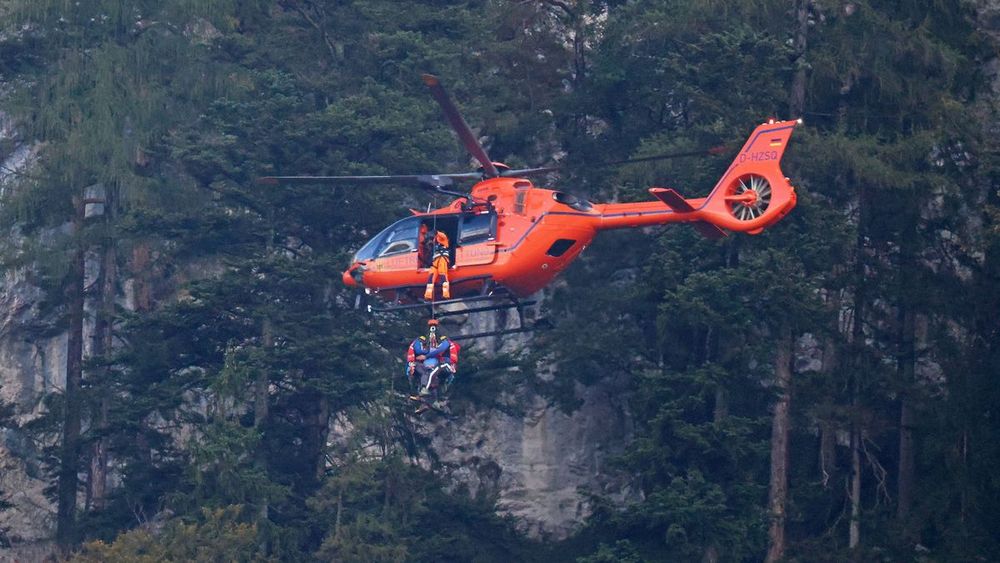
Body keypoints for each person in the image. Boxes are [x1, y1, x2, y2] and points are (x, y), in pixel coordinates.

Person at [423, 229, 451, 300]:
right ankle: (428, 296)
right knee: (430, 278)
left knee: (443, 276)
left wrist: (437, 232)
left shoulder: (444, 240)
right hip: (435, 262)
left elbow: (442, 235)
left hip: (442, 260)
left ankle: (446, 295)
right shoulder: (434, 244)